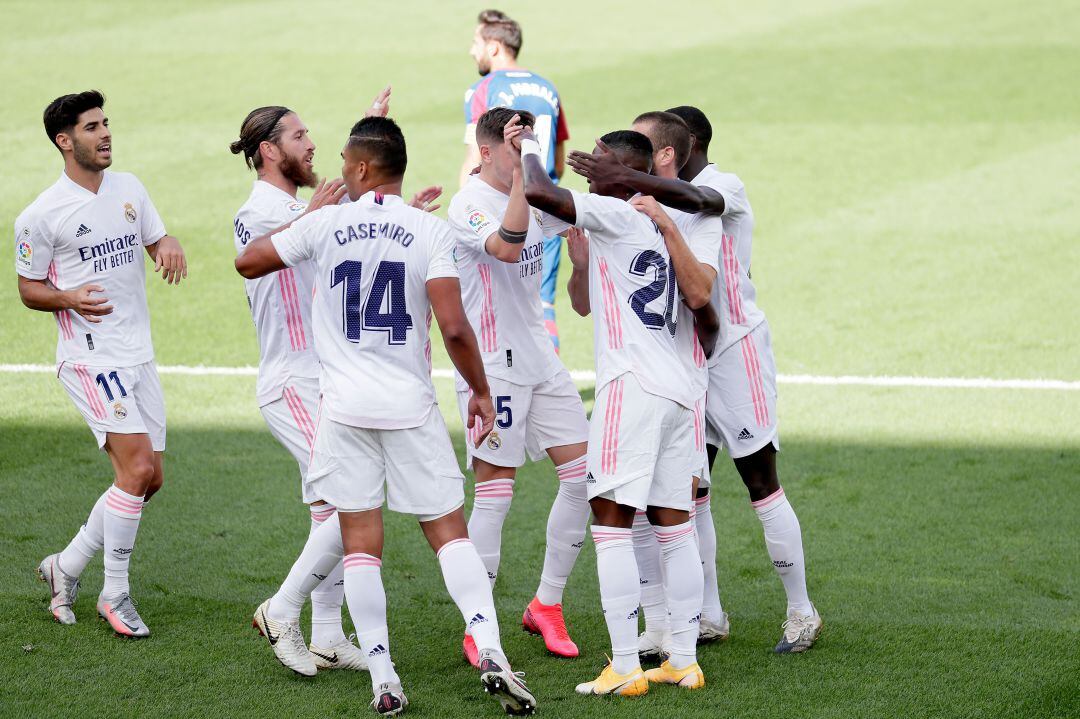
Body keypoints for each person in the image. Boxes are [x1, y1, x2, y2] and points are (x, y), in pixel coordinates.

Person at [236, 116, 536, 716]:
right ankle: (493, 650)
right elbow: (453, 326)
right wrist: (479, 391)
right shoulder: (430, 231)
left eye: (347, 160)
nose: (338, 169)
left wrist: (309, 220)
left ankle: (383, 677)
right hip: (409, 409)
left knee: (361, 547)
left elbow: (248, 262)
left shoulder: (322, 224)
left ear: (366, 167)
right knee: (449, 536)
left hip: (343, 411)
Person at [567, 105, 823, 653]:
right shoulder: (656, 199)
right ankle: (706, 613)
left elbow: (704, 204)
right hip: (683, 360)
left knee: (760, 481)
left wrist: (627, 179)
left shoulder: (718, 185)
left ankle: (801, 611)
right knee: (687, 492)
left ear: (679, 148)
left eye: (644, 144)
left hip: (734, 352)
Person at [519, 124, 719, 695]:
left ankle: (626, 665)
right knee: (674, 527)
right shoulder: (667, 223)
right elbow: (697, 299)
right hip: (680, 391)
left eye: (598, 161)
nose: (588, 167)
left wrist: (531, 147)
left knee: (609, 524)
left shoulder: (614, 212)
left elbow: (539, 193)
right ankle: (682, 658)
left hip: (629, 387)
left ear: (617, 171)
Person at [230, 95, 394, 673]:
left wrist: (369, 141)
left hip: (321, 379)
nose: (311, 145)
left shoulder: (303, 204)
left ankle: (325, 631)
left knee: (334, 503)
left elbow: (343, 220)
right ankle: (283, 609)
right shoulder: (259, 211)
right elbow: (255, 257)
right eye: (299, 137)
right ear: (269, 150)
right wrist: (318, 212)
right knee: (350, 499)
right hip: (291, 382)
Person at [17, 90, 188, 638]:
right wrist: (69, 298)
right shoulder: (41, 215)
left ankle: (63, 568)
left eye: (106, 123)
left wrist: (166, 246)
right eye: (92, 127)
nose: (106, 133)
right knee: (135, 470)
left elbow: (156, 237)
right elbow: (27, 287)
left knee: (149, 480)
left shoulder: (129, 187)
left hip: (139, 353)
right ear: (65, 141)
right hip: (90, 359)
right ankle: (115, 595)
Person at [447, 107, 590, 663]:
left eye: (528, 147)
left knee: (584, 478)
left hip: (541, 357)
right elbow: (507, 245)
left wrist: (577, 262)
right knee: (496, 493)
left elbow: (580, 285)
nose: (524, 159)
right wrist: (523, 186)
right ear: (485, 152)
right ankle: (478, 628)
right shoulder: (467, 205)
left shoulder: (534, 189)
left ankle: (546, 606)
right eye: (513, 148)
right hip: (491, 366)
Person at [620, 112, 729, 661]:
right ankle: (661, 628)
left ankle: (687, 635)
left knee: (678, 510)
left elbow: (703, 305)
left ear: (665, 158)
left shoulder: (698, 215)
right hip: (646, 380)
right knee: (643, 509)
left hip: (681, 383)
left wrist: (661, 220)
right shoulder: (628, 211)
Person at [461, 8, 569, 351]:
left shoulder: (483, 89)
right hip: (547, 204)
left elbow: (476, 157)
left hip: (502, 210)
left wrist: (466, 210)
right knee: (542, 307)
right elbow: (560, 161)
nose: (472, 51)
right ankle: (549, 376)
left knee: (498, 306)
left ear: (494, 47)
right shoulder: (547, 88)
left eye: (476, 43)